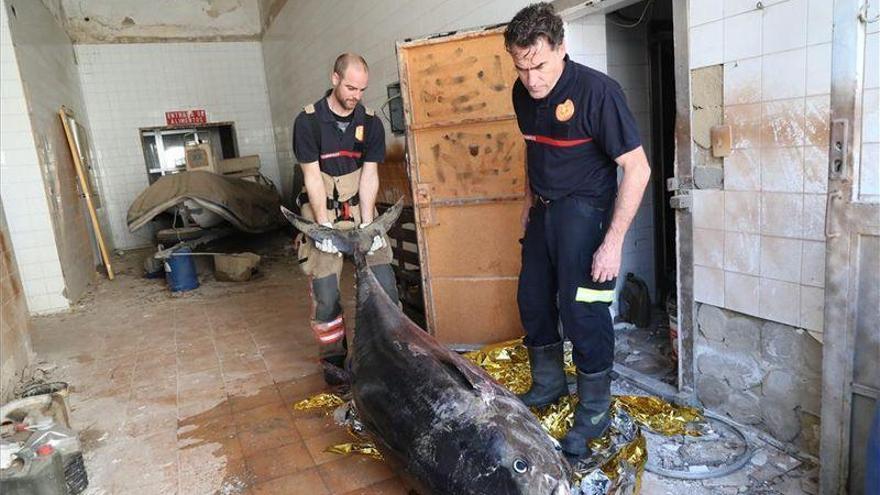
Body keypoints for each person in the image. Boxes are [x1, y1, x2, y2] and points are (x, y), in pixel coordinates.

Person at [504, 3, 651, 462]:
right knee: (532, 299)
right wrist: (529, 206)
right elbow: (534, 152)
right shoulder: (521, 93)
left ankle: (593, 412)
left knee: (583, 311)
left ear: (562, 48)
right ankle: (548, 386)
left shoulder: (598, 92)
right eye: (521, 66)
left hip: (586, 214)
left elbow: (638, 168)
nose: (532, 78)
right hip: (545, 212)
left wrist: (613, 242)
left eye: (540, 65)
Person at [292, 53, 399, 385]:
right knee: (326, 294)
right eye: (351, 87)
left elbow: (369, 176)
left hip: (358, 208)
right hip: (323, 210)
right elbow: (311, 177)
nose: (356, 95)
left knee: (385, 285)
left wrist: (369, 224)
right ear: (334, 79)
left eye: (362, 89)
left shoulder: (371, 122)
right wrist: (322, 225)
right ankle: (334, 362)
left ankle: (390, 355)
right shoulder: (307, 122)